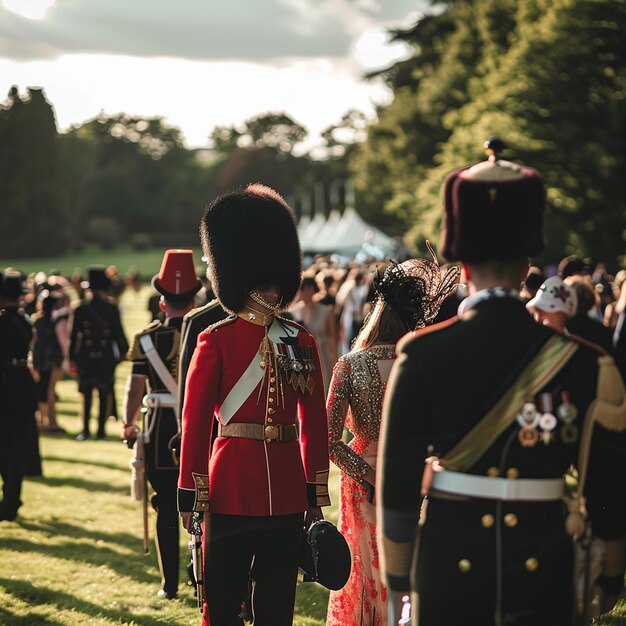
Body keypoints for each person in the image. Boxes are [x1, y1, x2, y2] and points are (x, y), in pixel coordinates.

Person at [378, 137, 626, 626]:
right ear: (528, 269)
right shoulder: (585, 363)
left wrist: (400, 579)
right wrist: (610, 572)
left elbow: (398, 485)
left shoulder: (422, 354)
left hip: (448, 568)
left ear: (462, 267)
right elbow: (608, 490)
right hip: (547, 569)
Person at [177, 184, 331, 626]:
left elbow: (313, 423)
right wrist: (313, 495)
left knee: (260, 605)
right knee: (246, 603)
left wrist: (190, 494)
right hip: (268, 489)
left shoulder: (237, 340)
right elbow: (197, 421)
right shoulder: (289, 340)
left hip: (235, 487)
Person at [326, 253, 459, 626]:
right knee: (406, 559)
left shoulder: (351, 365)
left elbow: (329, 440)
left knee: (366, 564)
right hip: (412, 471)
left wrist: (367, 476)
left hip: (361, 473)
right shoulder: (422, 363)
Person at [122, 249, 202, 600]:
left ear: (162, 300)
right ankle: (203, 576)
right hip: (202, 432)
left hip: (159, 434)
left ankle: (169, 585)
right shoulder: (207, 332)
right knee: (208, 506)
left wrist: (128, 424)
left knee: (167, 507)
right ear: (195, 297)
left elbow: (133, 388)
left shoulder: (146, 339)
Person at [0, 270, 42, 521]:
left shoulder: (5, 320)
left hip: (5, 386)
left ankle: (10, 500)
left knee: (6, 448)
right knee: (15, 447)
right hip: (22, 386)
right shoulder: (25, 320)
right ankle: (12, 497)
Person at [69, 266, 129, 440]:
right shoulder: (111, 308)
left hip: (84, 357)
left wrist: (72, 358)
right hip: (105, 357)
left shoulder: (80, 309)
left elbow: (74, 338)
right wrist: (119, 357)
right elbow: (119, 336)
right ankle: (101, 430)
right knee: (104, 393)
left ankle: (86, 429)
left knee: (86, 394)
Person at [289, 274, 338, 392]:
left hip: (322, 355)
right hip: (300, 355)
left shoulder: (326, 311)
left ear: (311, 289)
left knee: (323, 387)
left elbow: (333, 337)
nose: (301, 293)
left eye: (303, 289)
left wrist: (335, 359)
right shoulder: (293, 312)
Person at [31, 290, 69, 432]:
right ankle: (51, 422)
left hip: (41, 360)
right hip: (51, 360)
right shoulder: (55, 320)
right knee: (49, 391)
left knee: (43, 390)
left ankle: (43, 420)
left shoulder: (37, 320)